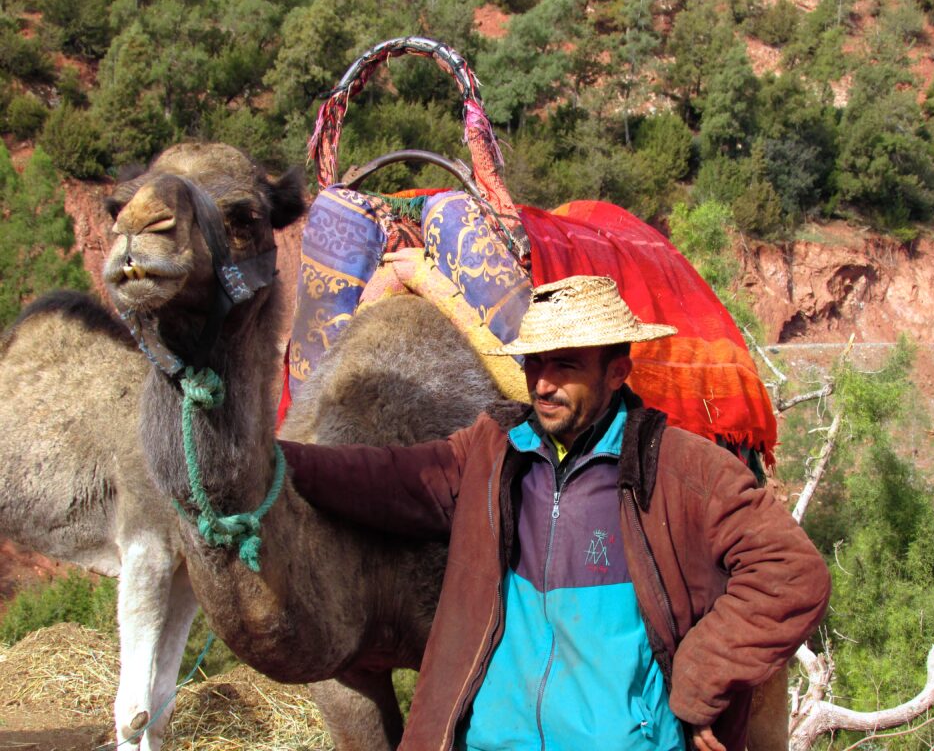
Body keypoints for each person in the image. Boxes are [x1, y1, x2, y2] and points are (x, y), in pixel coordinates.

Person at [281, 275, 831, 751]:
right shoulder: (496, 453)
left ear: (617, 372)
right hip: (496, 740)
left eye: (565, 365)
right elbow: (393, 478)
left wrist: (700, 676)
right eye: (534, 363)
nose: (543, 384)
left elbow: (794, 574)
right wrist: (274, 462)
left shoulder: (683, 470)